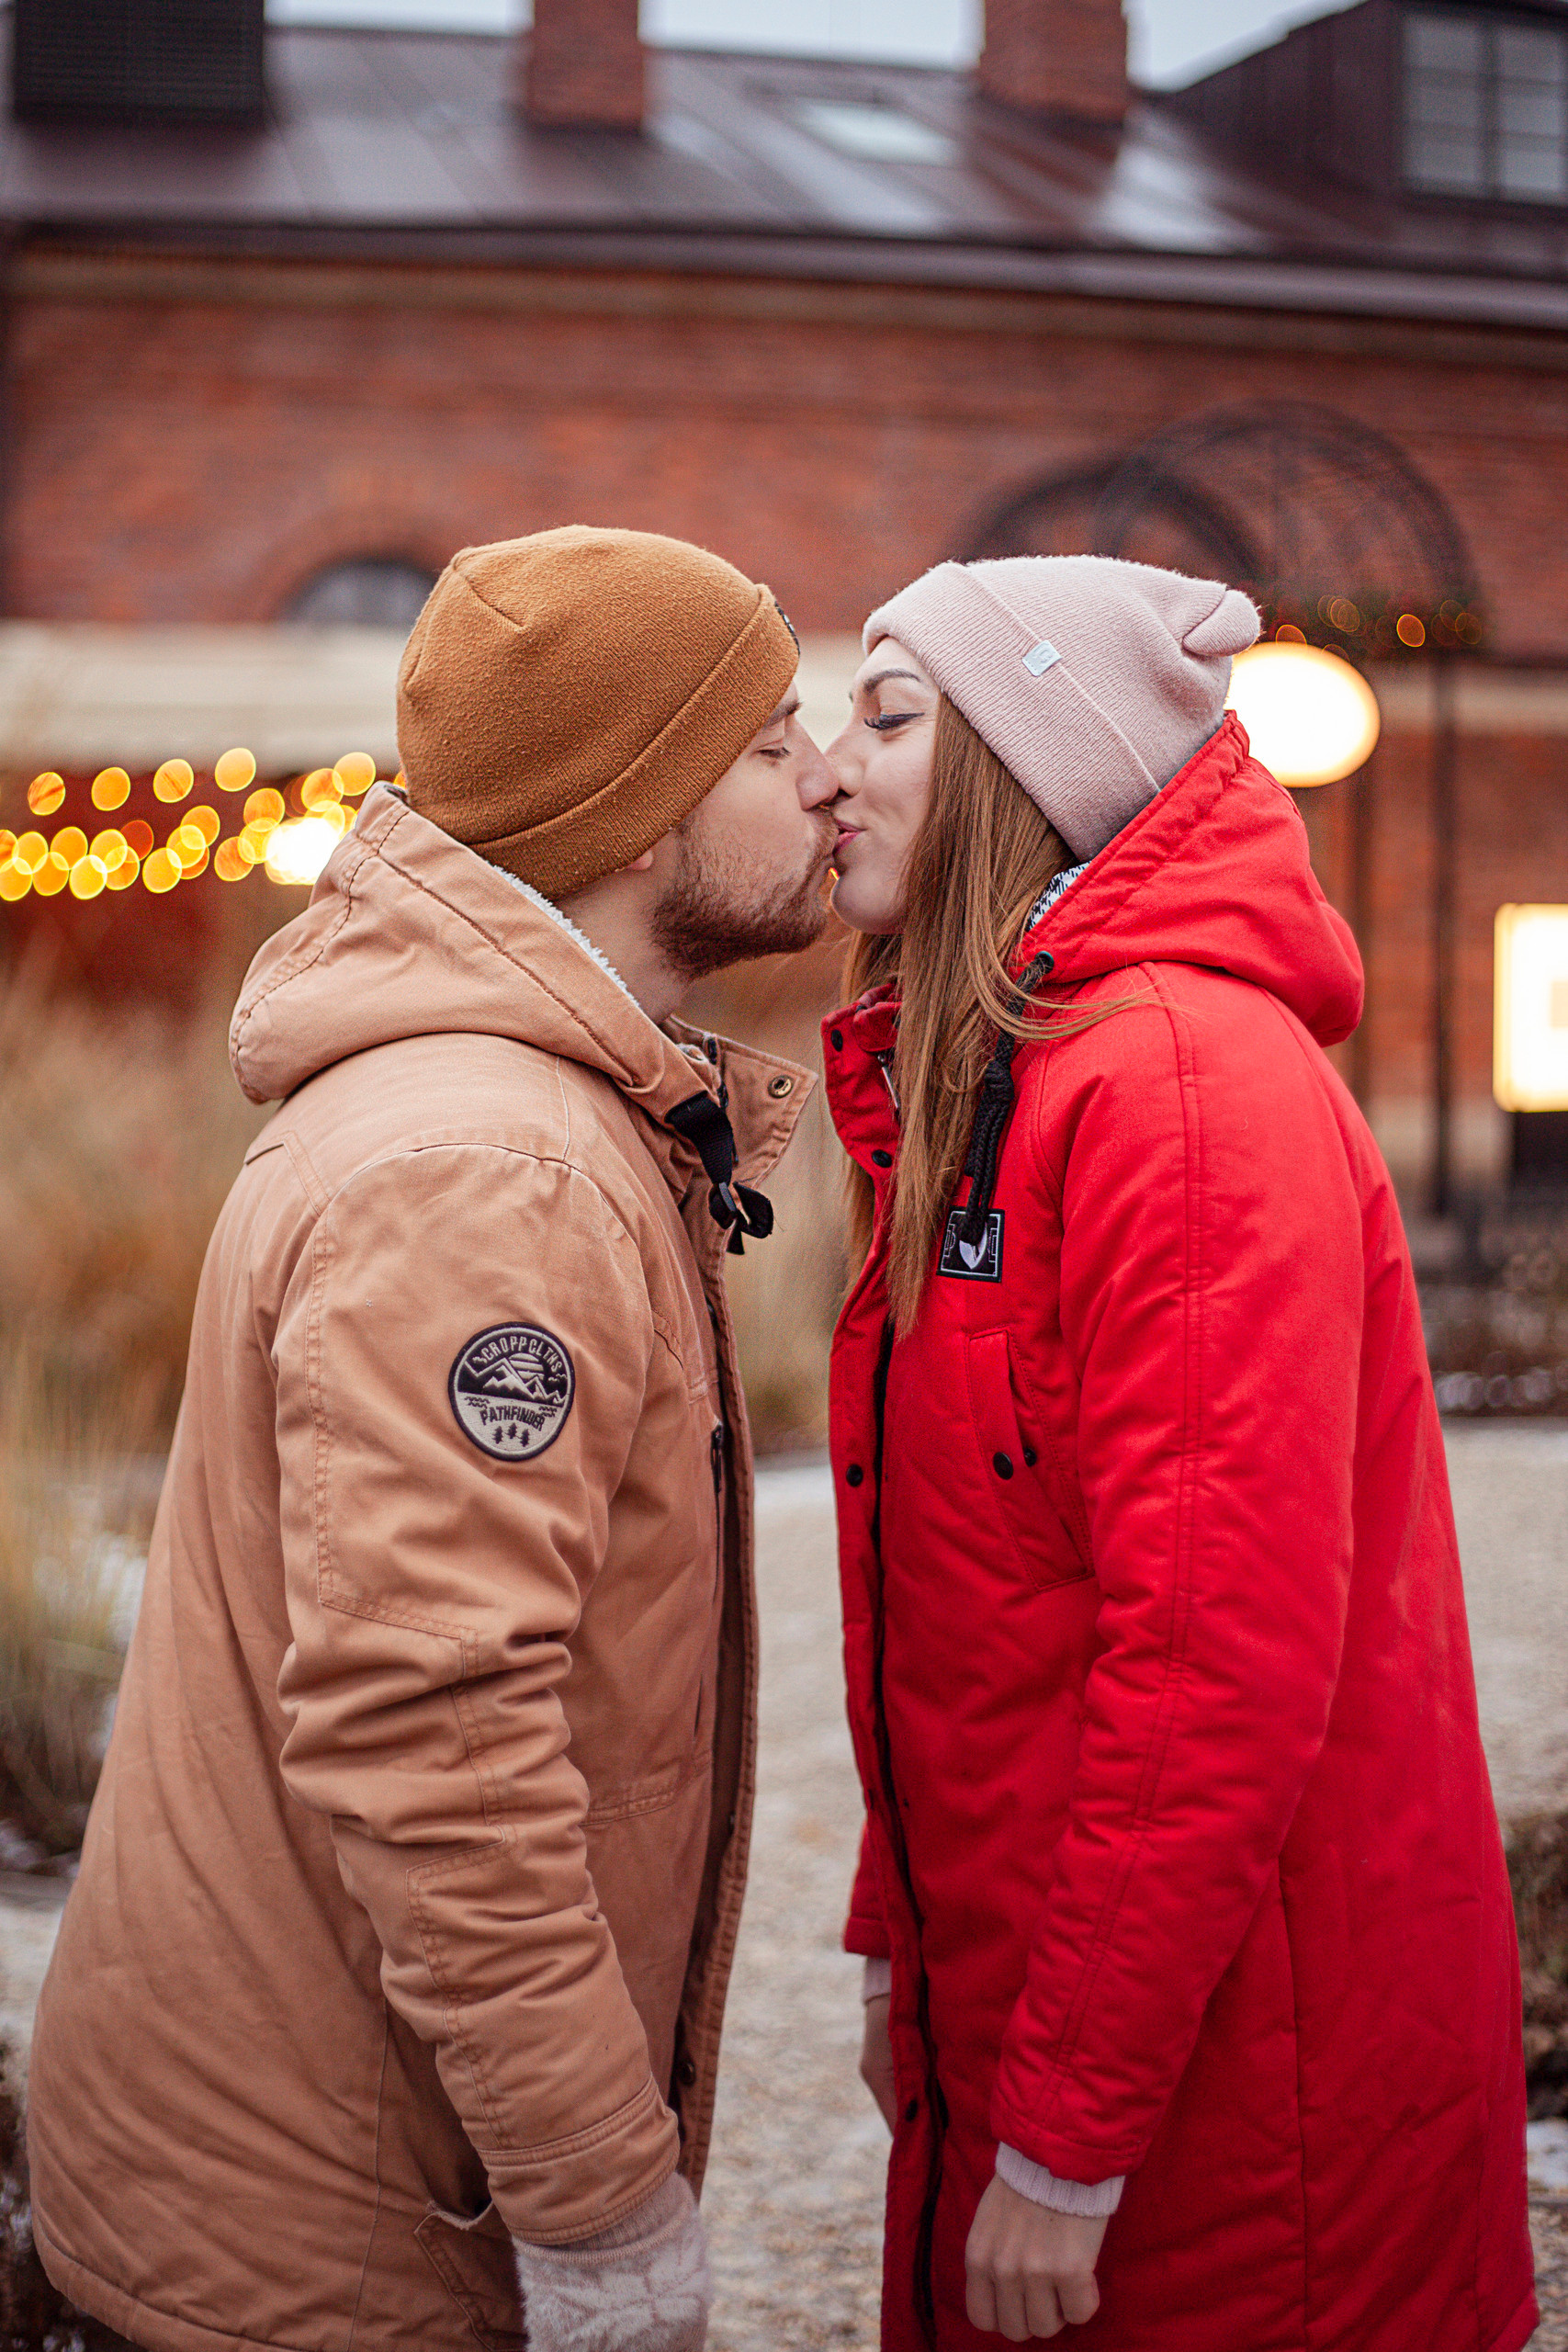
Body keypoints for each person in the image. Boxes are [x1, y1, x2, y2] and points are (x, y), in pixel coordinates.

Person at [28, 526, 839, 2352]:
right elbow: (436, 1726)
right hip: (327, 2226)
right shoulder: (491, 1168)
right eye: (771, 738)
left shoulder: (526, 1106)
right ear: (641, 812)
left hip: (323, 2157)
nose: (823, 777)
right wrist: (597, 2201)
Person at [821, 554, 1536, 2351]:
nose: (825, 766)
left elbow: (1208, 1659)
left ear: (1021, 766)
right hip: (1053, 2000)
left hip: (1230, 2114)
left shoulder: (1173, 1097)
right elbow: (969, 1581)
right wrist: (892, 1937)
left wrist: (1063, 2141)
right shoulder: (1009, 1076)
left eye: (887, 714)